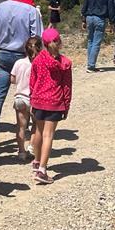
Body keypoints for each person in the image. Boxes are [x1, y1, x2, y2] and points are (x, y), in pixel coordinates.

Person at [0, 0, 43, 134]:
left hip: (4, 53)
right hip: (24, 56)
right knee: (28, 93)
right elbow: (37, 36)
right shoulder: (31, 10)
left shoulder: (1, 6)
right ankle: (28, 130)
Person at [29, 28, 72, 185]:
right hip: (55, 102)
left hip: (39, 100)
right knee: (48, 135)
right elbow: (67, 87)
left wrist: (32, 97)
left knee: (39, 132)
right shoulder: (65, 63)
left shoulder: (38, 60)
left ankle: (36, 161)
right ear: (59, 42)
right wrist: (66, 105)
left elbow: (32, 81)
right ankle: (42, 170)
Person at [10, 36, 41, 162]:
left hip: (20, 99)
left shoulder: (19, 63)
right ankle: (31, 146)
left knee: (21, 127)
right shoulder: (39, 64)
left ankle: (21, 152)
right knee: (36, 125)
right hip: (33, 99)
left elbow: (12, 79)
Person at [81, 0, 115, 72]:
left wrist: (83, 19)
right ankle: (91, 65)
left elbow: (85, 6)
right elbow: (110, 9)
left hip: (89, 17)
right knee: (96, 42)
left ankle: (90, 63)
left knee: (90, 41)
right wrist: (112, 22)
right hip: (100, 18)